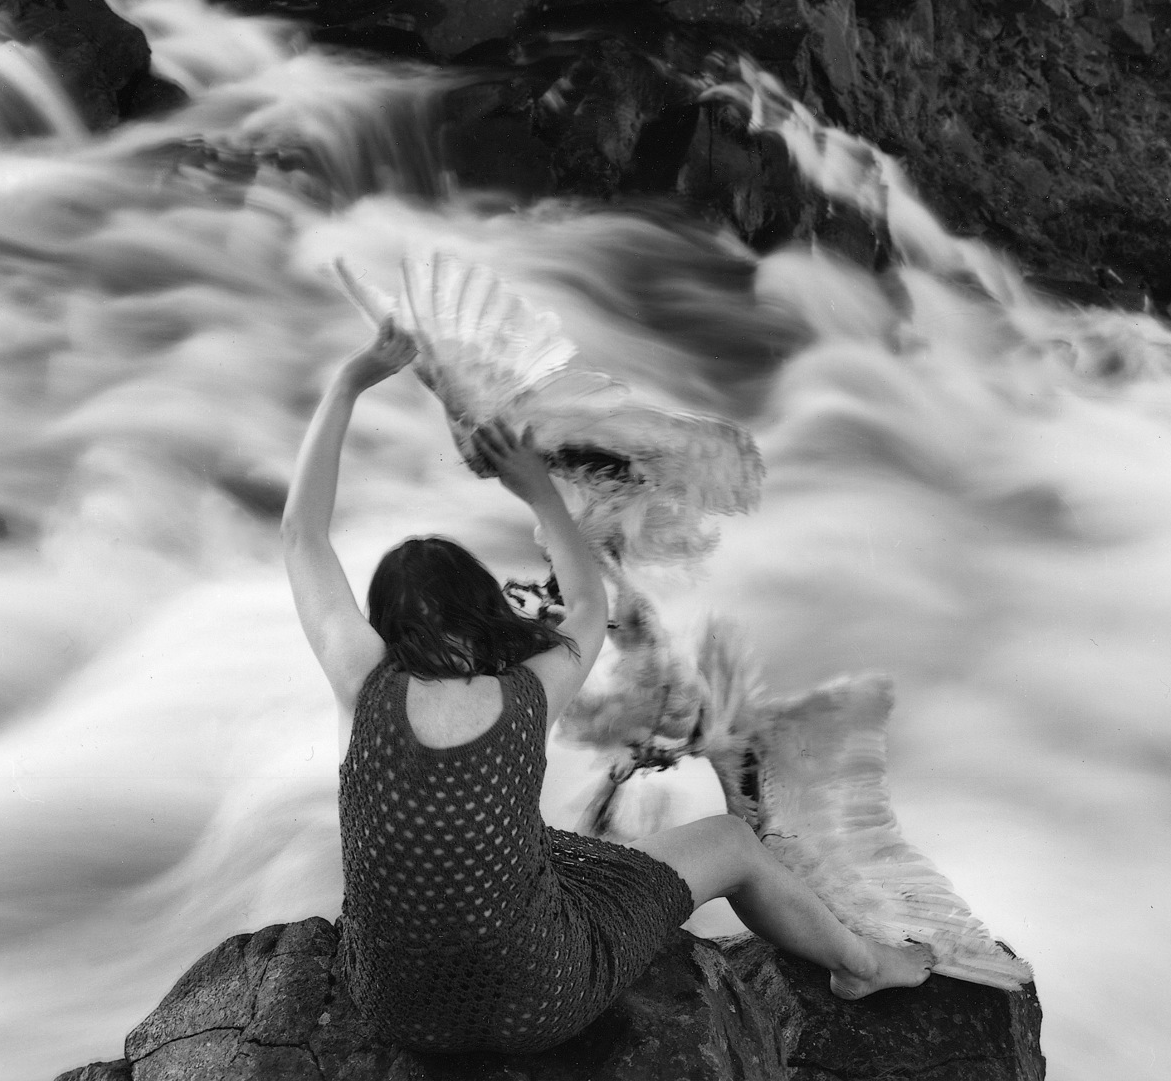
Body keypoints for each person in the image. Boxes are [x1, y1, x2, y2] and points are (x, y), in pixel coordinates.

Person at [281, 319, 932, 1055]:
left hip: (398, 1013)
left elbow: (303, 537)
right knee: (730, 842)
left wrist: (351, 380)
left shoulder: (360, 682)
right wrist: (536, 491)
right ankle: (865, 965)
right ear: (483, 609)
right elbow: (590, 603)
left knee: (543, 847)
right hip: (539, 1006)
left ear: (384, 627)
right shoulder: (530, 692)